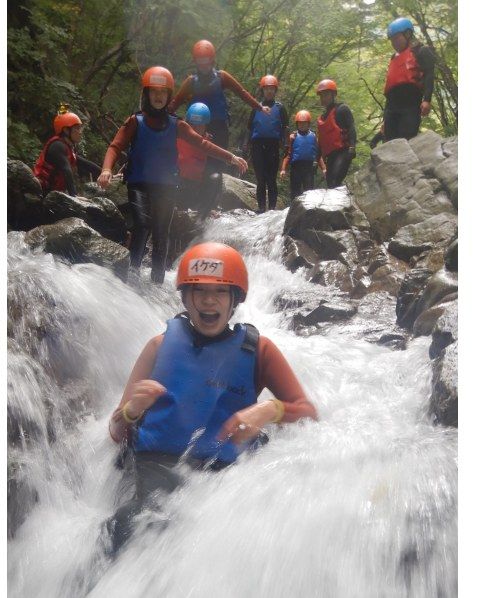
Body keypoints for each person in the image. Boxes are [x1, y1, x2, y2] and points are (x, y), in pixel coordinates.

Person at [103, 242, 318, 556]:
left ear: (234, 300)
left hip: (225, 483)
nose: (207, 300)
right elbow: (117, 432)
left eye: (219, 292)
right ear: (185, 298)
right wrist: (132, 411)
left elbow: (308, 412)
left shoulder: (259, 351)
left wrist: (270, 409)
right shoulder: (158, 347)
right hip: (156, 468)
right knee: (130, 524)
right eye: (198, 291)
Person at [98, 67, 248, 284]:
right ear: (146, 95)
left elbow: (202, 143)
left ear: (169, 96)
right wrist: (106, 169)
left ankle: (157, 282)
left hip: (166, 186)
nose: (158, 97)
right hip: (138, 184)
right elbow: (115, 146)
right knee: (141, 225)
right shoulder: (135, 121)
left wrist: (230, 157)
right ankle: (132, 274)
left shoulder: (177, 124)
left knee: (161, 231)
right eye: (154, 92)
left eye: (163, 93)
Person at [168, 40, 271, 175]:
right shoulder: (191, 81)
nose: (203, 64)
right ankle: (190, 188)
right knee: (194, 161)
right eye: (200, 60)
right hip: (196, 127)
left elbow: (241, 92)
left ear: (212, 60)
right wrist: (160, 117)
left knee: (216, 164)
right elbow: (176, 102)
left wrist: (259, 107)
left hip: (218, 127)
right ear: (196, 61)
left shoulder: (222, 77)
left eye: (206, 60)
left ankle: (213, 190)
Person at [382, 17, 436, 141]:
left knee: (406, 138)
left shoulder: (421, 51)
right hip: (391, 107)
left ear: (408, 34)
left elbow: (429, 74)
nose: (394, 43)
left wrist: (427, 100)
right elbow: (390, 89)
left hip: (410, 104)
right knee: (390, 142)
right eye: (392, 40)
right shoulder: (393, 58)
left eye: (396, 38)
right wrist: (385, 120)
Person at [32, 105, 101, 195]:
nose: (80, 132)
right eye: (77, 128)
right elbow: (66, 170)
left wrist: (105, 173)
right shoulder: (57, 146)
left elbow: (86, 164)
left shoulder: (67, 147)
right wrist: (74, 196)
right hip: (41, 191)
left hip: (51, 193)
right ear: (66, 130)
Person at [245, 75, 288, 212]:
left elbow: (285, 128)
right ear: (263, 90)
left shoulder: (280, 108)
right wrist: (246, 145)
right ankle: (262, 208)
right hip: (257, 146)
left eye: (272, 89)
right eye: (266, 89)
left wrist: (286, 146)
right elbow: (250, 128)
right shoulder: (256, 107)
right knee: (261, 179)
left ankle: (272, 209)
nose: (269, 91)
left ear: (275, 90)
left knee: (271, 179)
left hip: (273, 146)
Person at [176, 102, 221, 218]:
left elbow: (212, 166)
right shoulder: (179, 135)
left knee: (215, 177)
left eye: (199, 126)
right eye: (192, 125)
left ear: (205, 125)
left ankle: (203, 211)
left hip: (195, 184)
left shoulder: (207, 142)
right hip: (177, 181)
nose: (195, 129)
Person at [315, 79, 357, 188]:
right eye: (322, 95)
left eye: (326, 94)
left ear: (333, 94)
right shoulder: (322, 118)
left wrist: (352, 147)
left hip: (343, 152)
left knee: (335, 180)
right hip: (331, 156)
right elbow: (321, 141)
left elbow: (351, 128)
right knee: (330, 184)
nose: (323, 98)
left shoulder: (342, 109)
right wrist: (316, 159)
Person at [280, 110, 326, 201]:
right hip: (296, 168)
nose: (302, 125)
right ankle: (293, 211)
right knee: (295, 192)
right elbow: (288, 155)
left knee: (309, 192)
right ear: (297, 124)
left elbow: (318, 155)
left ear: (308, 124)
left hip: (309, 168)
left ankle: (308, 213)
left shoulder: (313, 137)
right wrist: (283, 169)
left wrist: (324, 168)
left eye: (304, 123)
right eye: (300, 123)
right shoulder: (293, 137)